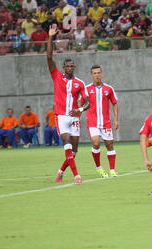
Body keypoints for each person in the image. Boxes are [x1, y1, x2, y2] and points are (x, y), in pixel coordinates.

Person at [47, 24, 89, 184]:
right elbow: (49, 58)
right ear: (63, 67)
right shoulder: (57, 76)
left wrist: (80, 109)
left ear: (74, 67)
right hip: (61, 116)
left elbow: (87, 102)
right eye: (67, 66)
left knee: (75, 149)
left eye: (72, 66)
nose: (70, 68)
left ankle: (60, 171)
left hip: (74, 117)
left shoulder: (80, 83)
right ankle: (77, 175)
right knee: (67, 143)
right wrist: (50, 37)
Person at [86, 65, 119, 178]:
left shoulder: (109, 88)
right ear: (92, 75)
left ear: (102, 74)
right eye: (95, 73)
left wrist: (116, 119)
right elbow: (81, 103)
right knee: (96, 143)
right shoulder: (87, 89)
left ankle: (112, 170)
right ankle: (99, 168)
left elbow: (114, 103)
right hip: (92, 122)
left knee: (109, 145)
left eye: (99, 73)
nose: (97, 75)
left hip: (105, 122)